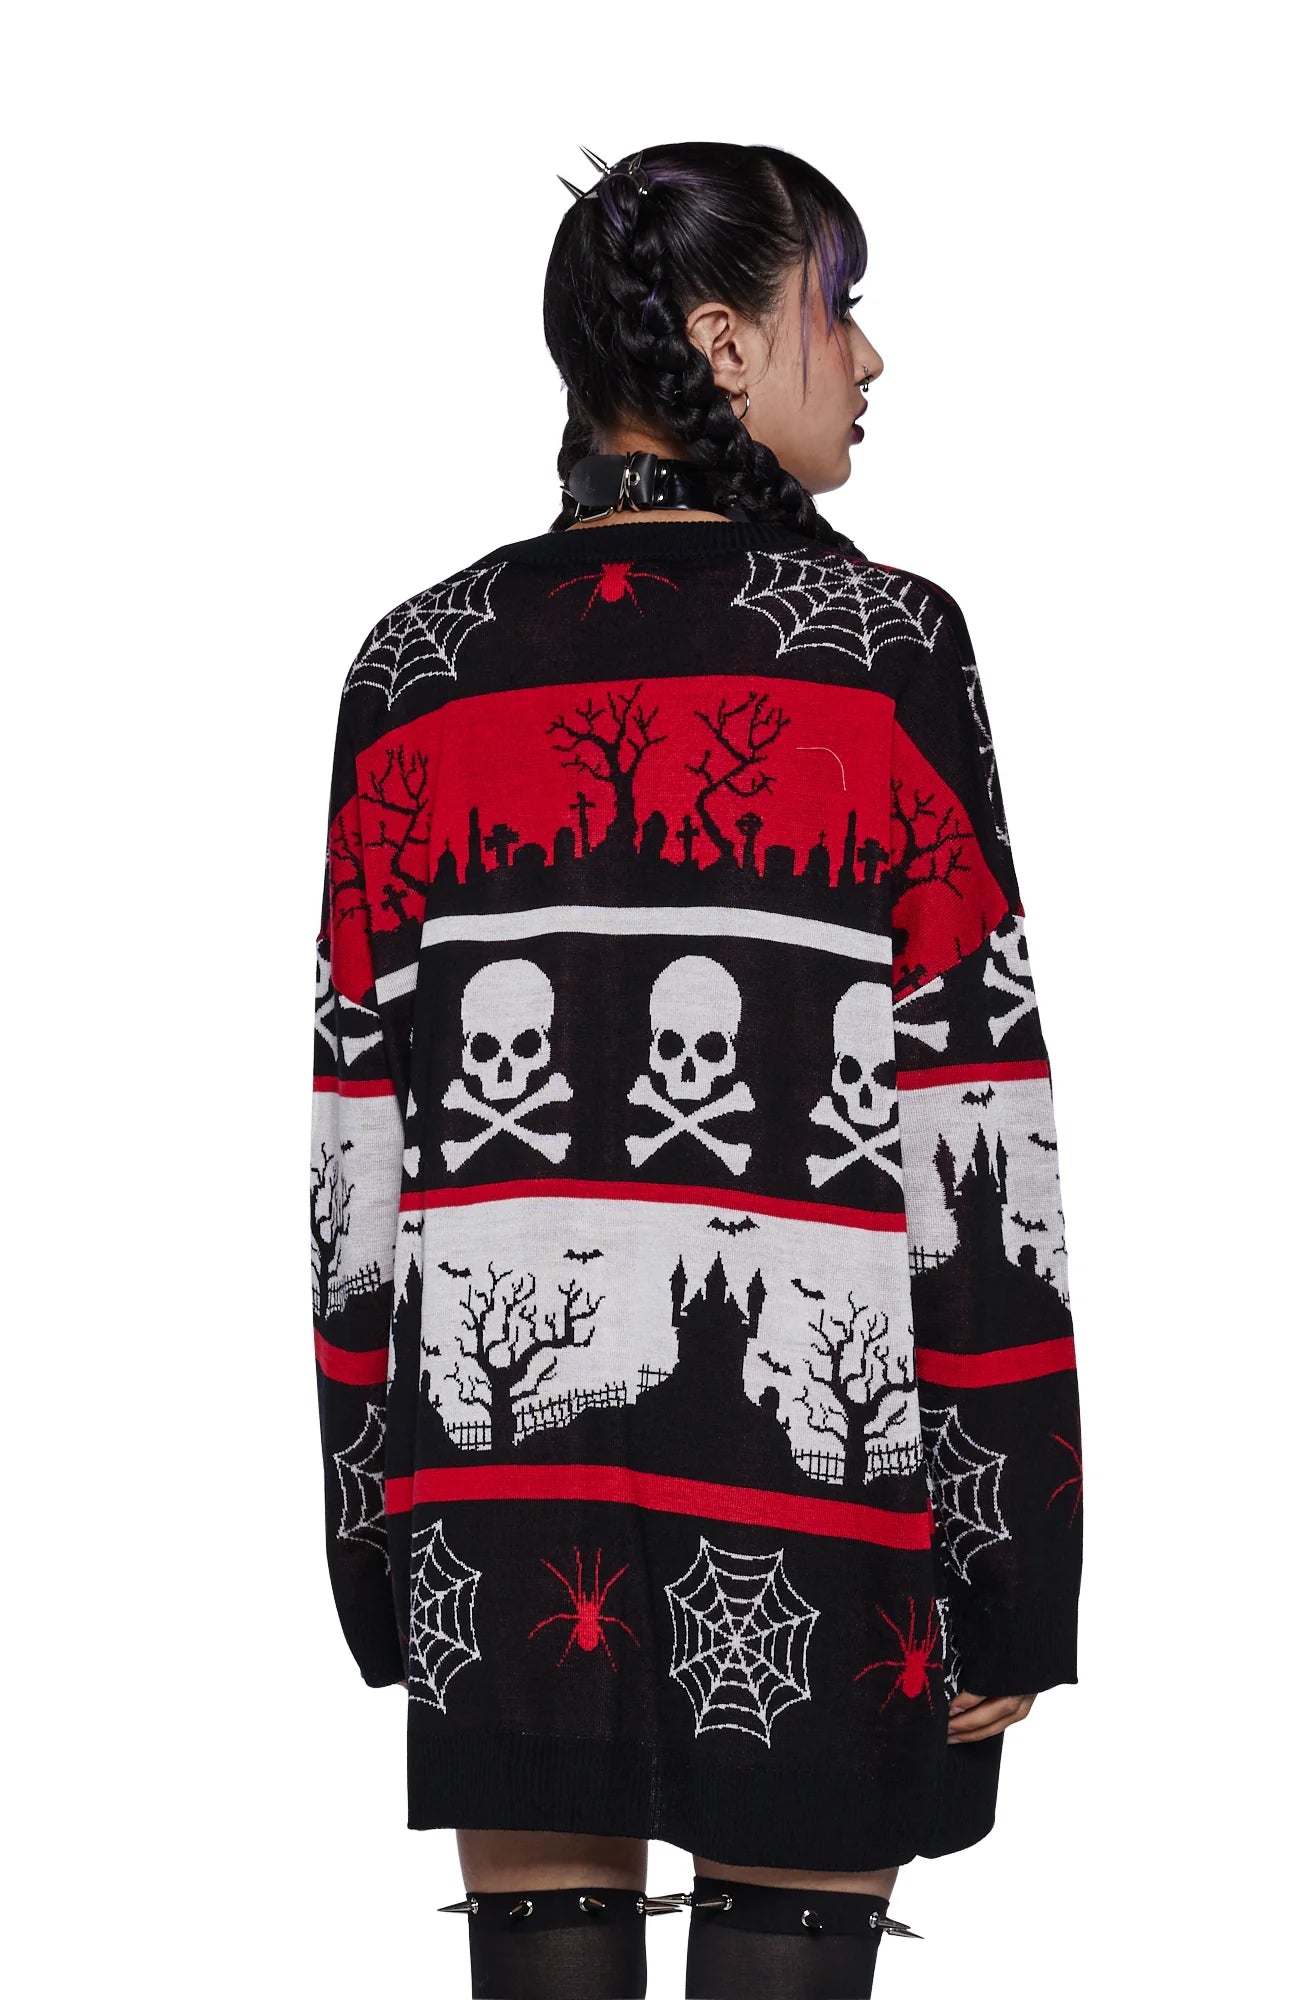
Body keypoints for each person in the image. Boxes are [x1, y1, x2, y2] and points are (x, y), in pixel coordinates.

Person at [309, 141, 1083, 1999]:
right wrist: (1011, 1555)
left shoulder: (415, 667)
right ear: (726, 344)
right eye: (841, 306)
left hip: (493, 1502)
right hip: (822, 1486)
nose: (869, 359)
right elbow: (974, 1122)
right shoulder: (881, 654)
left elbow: (355, 1151)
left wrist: (370, 1527)